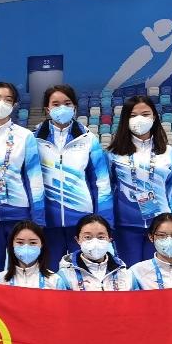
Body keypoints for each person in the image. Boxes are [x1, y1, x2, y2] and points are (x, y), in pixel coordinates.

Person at [0, 81, 44, 276]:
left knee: (23, 271)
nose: (1, 103)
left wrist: (37, 218)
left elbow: (35, 179)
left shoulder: (25, 137)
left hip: (18, 215)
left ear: (14, 105)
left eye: (7, 99)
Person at [34, 85, 112, 266]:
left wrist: (104, 220)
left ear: (75, 107)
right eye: (56, 104)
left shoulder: (88, 139)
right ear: (47, 109)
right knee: (51, 272)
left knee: (83, 270)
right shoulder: (33, 139)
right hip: (48, 221)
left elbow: (101, 182)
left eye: (67, 103)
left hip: (82, 221)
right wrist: (35, 218)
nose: (62, 108)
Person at [106, 94, 172, 266]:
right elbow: (108, 189)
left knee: (156, 272)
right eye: (133, 115)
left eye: (145, 114)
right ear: (125, 120)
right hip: (125, 225)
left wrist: (168, 218)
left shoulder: (168, 152)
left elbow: (169, 188)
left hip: (160, 225)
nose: (140, 119)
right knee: (129, 272)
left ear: (154, 117)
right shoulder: (113, 153)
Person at [54, 214, 136, 291]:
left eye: (101, 237)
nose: (95, 242)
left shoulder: (125, 274)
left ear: (109, 239)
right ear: (78, 240)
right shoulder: (65, 276)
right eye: (87, 237)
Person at [0, 220, 59, 288]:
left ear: (41, 245)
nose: (26, 247)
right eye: (20, 242)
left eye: (33, 243)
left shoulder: (54, 281)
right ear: (12, 244)